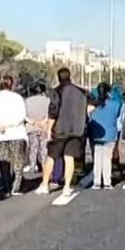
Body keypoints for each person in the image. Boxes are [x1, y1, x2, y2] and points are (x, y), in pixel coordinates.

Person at [38, 67, 88, 196]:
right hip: (76, 129)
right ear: (70, 76)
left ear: (58, 78)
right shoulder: (81, 91)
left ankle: (44, 185)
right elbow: (93, 103)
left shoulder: (57, 92)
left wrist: (49, 129)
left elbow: (53, 112)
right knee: (69, 158)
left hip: (60, 130)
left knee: (51, 157)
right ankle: (67, 187)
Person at [0, 75, 29, 196]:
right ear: (11, 85)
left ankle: (6, 188)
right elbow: (22, 115)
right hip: (16, 133)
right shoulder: (17, 98)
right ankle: (16, 186)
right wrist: (10, 124)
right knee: (18, 162)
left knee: (4, 162)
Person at [86, 82, 122, 190]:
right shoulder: (115, 104)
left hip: (96, 134)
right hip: (110, 134)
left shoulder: (92, 105)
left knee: (97, 158)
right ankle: (107, 182)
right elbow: (117, 116)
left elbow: (89, 116)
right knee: (107, 159)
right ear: (109, 92)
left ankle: (97, 182)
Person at [24, 82, 50, 174]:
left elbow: (24, 115)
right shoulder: (47, 100)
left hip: (32, 127)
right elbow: (50, 113)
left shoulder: (27, 101)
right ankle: (44, 165)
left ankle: (32, 166)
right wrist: (43, 121)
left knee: (33, 148)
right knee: (44, 148)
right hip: (44, 126)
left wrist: (32, 121)